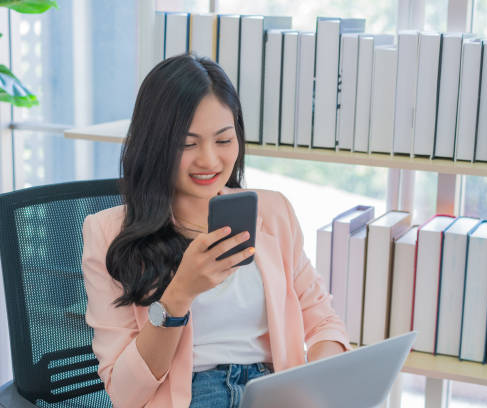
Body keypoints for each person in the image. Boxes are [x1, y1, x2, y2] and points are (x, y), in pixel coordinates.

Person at [82, 54, 351, 408]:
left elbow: (323, 322)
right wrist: (179, 295)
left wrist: (316, 380)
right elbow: (125, 394)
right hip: (193, 396)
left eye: (223, 141)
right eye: (187, 144)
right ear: (155, 145)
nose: (209, 160)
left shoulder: (273, 213)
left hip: (274, 393)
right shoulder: (107, 233)